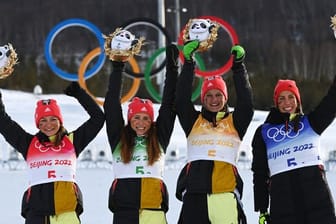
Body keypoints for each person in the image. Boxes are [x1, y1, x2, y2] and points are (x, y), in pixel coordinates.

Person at [0, 82, 105, 223]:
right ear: (38, 123)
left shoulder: (72, 141)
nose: (48, 124)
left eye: (53, 119)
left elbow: (98, 119)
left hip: (67, 214)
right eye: (43, 120)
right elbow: (3, 122)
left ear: (60, 121)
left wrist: (80, 94)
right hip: (37, 215)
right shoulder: (28, 143)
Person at [175, 40, 254, 224]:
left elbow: (246, 103)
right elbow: (181, 100)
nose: (214, 100)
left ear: (225, 97)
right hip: (195, 196)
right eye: (209, 95)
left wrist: (238, 67)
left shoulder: (235, 122)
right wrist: (188, 64)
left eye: (218, 95)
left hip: (225, 195)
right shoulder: (193, 121)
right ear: (202, 99)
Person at [104, 44, 179, 224]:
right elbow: (112, 106)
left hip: (154, 212)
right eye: (136, 117)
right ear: (129, 119)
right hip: (124, 213)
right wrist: (118, 66)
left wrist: (172, 68)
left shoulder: (159, 137)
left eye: (146, 118)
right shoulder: (118, 138)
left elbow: (169, 104)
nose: (141, 123)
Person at [251, 78, 336, 224]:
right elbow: (259, 173)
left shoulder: (312, 123)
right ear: (276, 103)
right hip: (284, 209)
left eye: (291, 97)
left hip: (319, 207)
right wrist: (262, 208)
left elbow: (332, 101)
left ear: (298, 100)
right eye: (281, 99)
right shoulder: (264, 133)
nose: (287, 103)